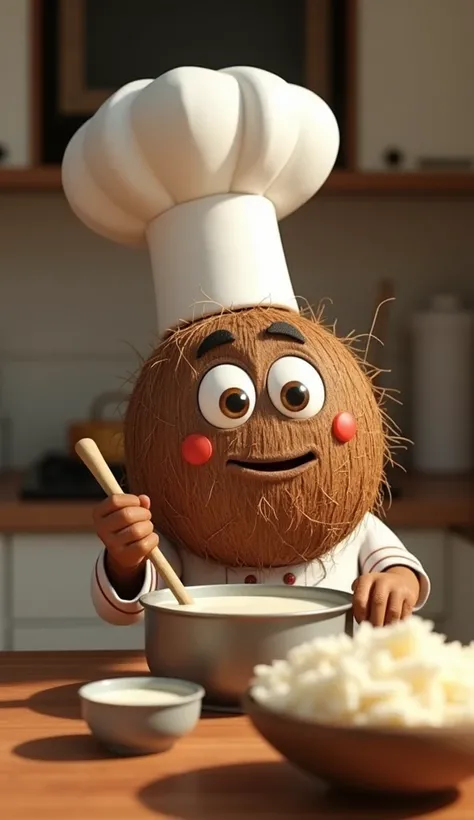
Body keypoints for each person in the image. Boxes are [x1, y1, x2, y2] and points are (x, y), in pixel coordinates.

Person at [62, 66, 430, 629]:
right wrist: (126, 555)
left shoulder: (348, 522)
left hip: (326, 700)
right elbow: (122, 606)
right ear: (162, 423)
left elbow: (400, 569)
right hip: (210, 695)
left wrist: (395, 583)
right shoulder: (181, 536)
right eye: (229, 402)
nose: (263, 426)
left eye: (294, 394)